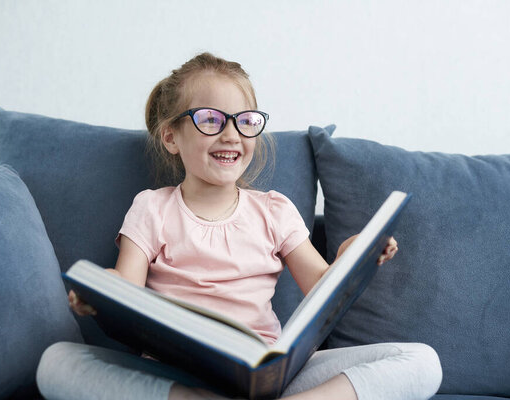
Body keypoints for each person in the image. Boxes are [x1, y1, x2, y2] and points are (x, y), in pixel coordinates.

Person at [36, 52, 442, 400]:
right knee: (55, 363)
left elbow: (322, 290)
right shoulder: (152, 208)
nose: (231, 134)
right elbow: (126, 289)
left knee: (423, 361)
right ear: (171, 137)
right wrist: (100, 295)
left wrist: (352, 255)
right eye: (210, 119)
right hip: (178, 376)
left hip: (269, 375)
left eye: (244, 120)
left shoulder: (274, 210)